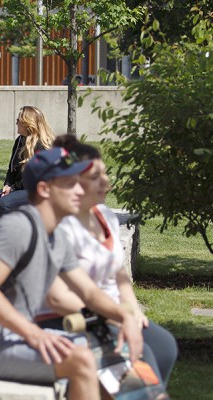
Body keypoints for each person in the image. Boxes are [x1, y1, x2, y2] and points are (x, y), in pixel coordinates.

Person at [0, 147, 143, 400]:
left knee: (111, 357)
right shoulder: (18, 227)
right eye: (70, 184)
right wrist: (35, 334)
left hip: (17, 337)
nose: (80, 190)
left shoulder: (56, 235)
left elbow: (87, 291)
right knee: (82, 359)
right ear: (44, 190)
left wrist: (124, 315)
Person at [39, 135, 177, 386]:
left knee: (165, 346)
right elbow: (59, 298)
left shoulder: (106, 216)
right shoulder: (60, 228)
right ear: (73, 182)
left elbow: (119, 274)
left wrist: (132, 309)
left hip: (113, 311)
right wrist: (114, 316)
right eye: (95, 177)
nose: (107, 183)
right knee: (140, 360)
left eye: (105, 174)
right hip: (75, 318)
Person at [0, 106, 54, 211]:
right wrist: (7, 184)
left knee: (3, 204)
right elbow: (12, 168)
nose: (16, 123)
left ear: (27, 123)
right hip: (19, 187)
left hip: (36, 189)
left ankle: (14, 226)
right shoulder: (20, 140)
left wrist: (12, 188)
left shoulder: (42, 146)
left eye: (18, 120)